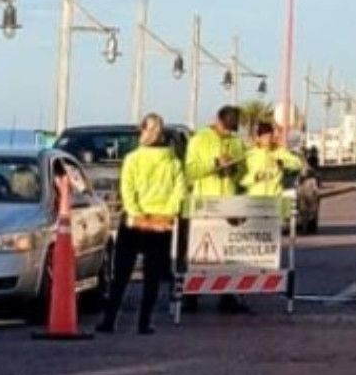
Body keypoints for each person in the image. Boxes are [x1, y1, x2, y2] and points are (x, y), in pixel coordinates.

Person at [97, 113, 185, 335]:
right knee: (152, 276)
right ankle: (144, 323)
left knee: (121, 274)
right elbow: (179, 192)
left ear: (143, 131)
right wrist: (167, 215)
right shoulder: (173, 162)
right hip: (161, 223)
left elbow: (127, 190)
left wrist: (138, 215)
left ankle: (109, 321)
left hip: (135, 222)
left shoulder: (133, 159)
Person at [184, 106, 248, 312]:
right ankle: (191, 296)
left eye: (232, 129)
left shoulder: (237, 142)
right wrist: (214, 164)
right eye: (226, 128)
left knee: (227, 252)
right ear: (217, 120)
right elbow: (190, 172)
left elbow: (243, 174)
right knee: (200, 252)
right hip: (205, 204)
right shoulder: (199, 140)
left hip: (228, 204)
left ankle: (227, 296)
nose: (229, 132)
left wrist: (234, 170)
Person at [242, 122, 303, 222]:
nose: (268, 140)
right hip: (255, 201)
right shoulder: (250, 155)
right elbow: (242, 179)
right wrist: (254, 177)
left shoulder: (279, 151)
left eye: (270, 136)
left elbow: (297, 163)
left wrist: (284, 163)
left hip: (275, 199)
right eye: (265, 137)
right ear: (258, 138)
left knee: (273, 232)